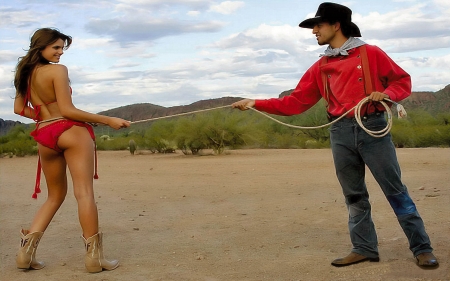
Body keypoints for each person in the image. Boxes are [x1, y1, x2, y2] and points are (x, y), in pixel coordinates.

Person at [232, 2, 439, 268]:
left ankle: (422, 248)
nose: (314, 31)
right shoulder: (321, 66)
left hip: (372, 126)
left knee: (395, 190)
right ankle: (364, 247)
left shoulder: (371, 53)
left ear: (336, 25)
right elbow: (295, 102)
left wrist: (387, 94)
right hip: (339, 132)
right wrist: (255, 103)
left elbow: (402, 81)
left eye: (318, 25)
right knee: (353, 195)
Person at [13, 28, 130, 273]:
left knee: (54, 196)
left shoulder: (25, 73)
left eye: (62, 48)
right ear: (41, 47)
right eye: (55, 47)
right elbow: (67, 110)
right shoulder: (58, 71)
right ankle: (94, 259)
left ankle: (25, 254)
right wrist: (106, 119)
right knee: (84, 192)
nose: (60, 53)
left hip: (45, 135)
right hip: (71, 132)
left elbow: (19, 109)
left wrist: (45, 117)